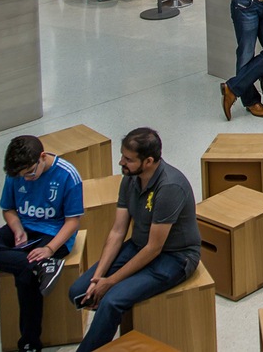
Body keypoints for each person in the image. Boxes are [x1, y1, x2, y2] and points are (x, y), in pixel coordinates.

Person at [68, 128, 203, 352]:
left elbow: (154, 248)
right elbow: (118, 231)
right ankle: (114, 317)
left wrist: (111, 283)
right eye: (122, 156)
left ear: (149, 161)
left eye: (128, 159)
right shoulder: (130, 179)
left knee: (112, 300)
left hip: (174, 257)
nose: (121, 162)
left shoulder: (170, 187)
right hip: (138, 245)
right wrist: (99, 276)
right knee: (79, 292)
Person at [0, 135, 84, 352]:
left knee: (25, 278)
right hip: (25, 229)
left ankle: (30, 343)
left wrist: (49, 249)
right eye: (22, 175)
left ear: (42, 157)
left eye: (30, 172)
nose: (27, 178)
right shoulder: (16, 173)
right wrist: (17, 228)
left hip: (54, 235)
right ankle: (37, 266)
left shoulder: (67, 174)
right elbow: (8, 209)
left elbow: (72, 221)